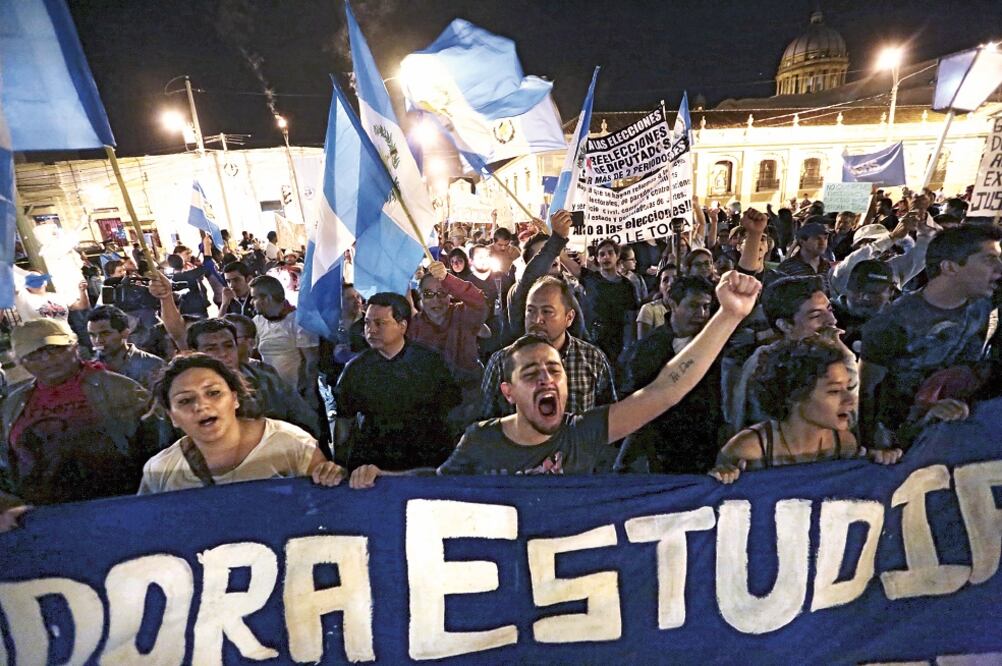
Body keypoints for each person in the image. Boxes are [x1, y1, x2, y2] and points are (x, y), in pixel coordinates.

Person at [348, 271, 760, 485]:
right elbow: (437, 483)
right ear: (508, 392)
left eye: (554, 370)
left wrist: (729, 315)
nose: (547, 379)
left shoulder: (584, 433)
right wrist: (384, 479)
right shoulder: (481, 442)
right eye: (531, 372)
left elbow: (665, 390)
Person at [860, 225, 1001, 445]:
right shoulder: (891, 323)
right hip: (907, 445)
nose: (999, 269)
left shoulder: (985, 305)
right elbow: (867, 396)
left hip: (964, 432)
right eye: (989, 260)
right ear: (950, 267)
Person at [0, 319, 153, 509]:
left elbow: (159, 446)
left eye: (55, 349)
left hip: (119, 504)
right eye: (34, 354)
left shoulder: (121, 388)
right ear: (20, 362)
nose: (47, 359)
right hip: (43, 513)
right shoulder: (13, 404)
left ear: (74, 345)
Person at [138, 353, 343, 493]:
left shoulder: (292, 443)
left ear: (234, 399)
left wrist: (335, 476)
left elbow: (328, 506)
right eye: (185, 401)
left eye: (213, 393)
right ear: (172, 416)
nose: (201, 406)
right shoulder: (159, 472)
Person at [711, 338, 902, 483]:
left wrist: (877, 461)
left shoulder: (844, 444)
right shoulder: (747, 449)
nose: (850, 400)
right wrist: (723, 476)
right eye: (834, 391)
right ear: (795, 395)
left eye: (848, 388)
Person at [334, 292, 462, 472]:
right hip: (372, 464)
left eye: (380, 323)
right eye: (367, 323)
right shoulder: (356, 369)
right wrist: (340, 466)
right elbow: (344, 421)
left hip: (425, 461)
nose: (371, 330)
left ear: (402, 326)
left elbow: (451, 412)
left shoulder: (430, 362)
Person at [616, 276, 723, 474]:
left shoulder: (716, 346)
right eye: (693, 306)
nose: (701, 314)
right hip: (661, 454)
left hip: (707, 449)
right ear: (672, 304)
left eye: (706, 307)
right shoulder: (647, 350)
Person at [729, 275, 855, 433]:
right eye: (816, 315)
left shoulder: (834, 356)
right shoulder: (765, 364)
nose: (832, 320)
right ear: (785, 325)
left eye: (829, 310)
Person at [481, 275, 616, 419]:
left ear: (569, 317)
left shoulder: (592, 359)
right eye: (530, 310)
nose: (537, 319)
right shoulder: (501, 362)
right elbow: (485, 422)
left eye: (547, 311)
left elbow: (609, 419)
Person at [186, 318, 323, 440]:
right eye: (211, 349)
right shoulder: (185, 392)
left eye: (228, 346)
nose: (223, 353)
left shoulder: (266, 380)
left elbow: (305, 420)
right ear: (195, 353)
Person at [408, 260, 488, 406]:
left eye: (442, 293)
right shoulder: (413, 325)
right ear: (420, 297)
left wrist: (447, 278)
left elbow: (479, 301)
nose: (436, 300)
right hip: (430, 400)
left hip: (468, 398)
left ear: (450, 295)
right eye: (428, 294)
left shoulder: (463, 314)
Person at [250, 274, 319, 397]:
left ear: (267, 298)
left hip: (298, 393)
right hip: (273, 393)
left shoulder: (299, 321)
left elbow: (311, 361)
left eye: (254, 298)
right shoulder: (257, 321)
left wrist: (310, 391)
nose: (251, 302)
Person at [579, 239, 638, 364]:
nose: (606, 257)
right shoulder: (590, 279)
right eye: (602, 254)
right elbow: (569, 264)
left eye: (610, 253)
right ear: (597, 258)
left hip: (616, 344)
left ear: (617, 256)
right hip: (592, 341)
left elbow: (631, 319)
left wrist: (627, 348)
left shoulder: (627, 286)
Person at [86, 305, 164, 387]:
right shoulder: (89, 369)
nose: (98, 340)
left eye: (105, 334)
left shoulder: (152, 365)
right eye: (92, 335)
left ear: (125, 333)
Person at [831, 261, 896, 353]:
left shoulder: (900, 322)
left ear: (891, 291)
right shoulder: (825, 316)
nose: (865, 297)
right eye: (859, 290)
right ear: (847, 287)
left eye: (874, 292)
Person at [777, 218, 833, 293]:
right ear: (802, 242)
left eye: (825, 238)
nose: (822, 243)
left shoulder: (828, 267)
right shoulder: (787, 267)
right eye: (817, 238)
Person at [14, 272, 90, 323]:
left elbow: (82, 306)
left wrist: (82, 291)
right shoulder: (22, 297)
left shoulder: (58, 296)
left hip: (65, 336)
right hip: (40, 339)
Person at [636, 267, 674, 339]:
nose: (670, 284)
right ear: (660, 287)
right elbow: (643, 343)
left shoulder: (687, 309)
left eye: (675, 279)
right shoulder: (649, 309)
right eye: (665, 280)